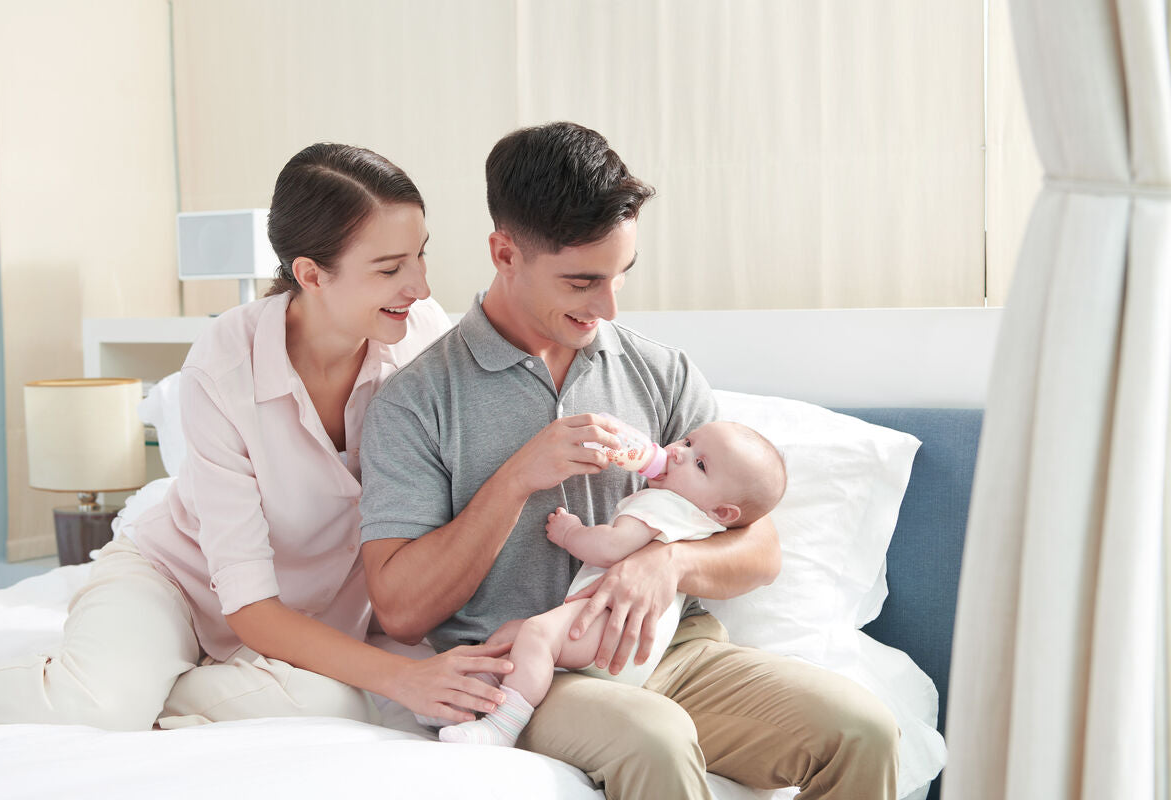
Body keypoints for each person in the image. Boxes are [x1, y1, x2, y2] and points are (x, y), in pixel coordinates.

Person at [359, 121, 899, 800]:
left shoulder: (659, 370)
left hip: (674, 650)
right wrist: (519, 477)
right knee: (656, 740)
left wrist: (666, 562)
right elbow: (401, 609)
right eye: (583, 281)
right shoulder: (416, 401)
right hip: (534, 670)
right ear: (504, 253)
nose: (609, 306)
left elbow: (758, 545)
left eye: (619, 276)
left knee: (863, 730)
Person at [0, 142, 512, 730]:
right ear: (310, 274)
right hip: (179, 583)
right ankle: (76, 682)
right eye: (389, 269)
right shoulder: (225, 364)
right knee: (97, 705)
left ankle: (159, 689)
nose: (421, 287)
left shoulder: (425, 343)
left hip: (322, 618)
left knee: (328, 707)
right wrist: (403, 678)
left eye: (420, 256)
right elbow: (252, 607)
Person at [439, 420, 787, 747]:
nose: (679, 451)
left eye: (700, 465)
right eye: (687, 441)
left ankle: (501, 727)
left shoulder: (666, 505)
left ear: (724, 512)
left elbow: (609, 547)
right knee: (508, 637)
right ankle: (470, 703)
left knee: (535, 634)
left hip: (611, 627)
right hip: (634, 648)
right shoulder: (703, 524)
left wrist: (571, 532)